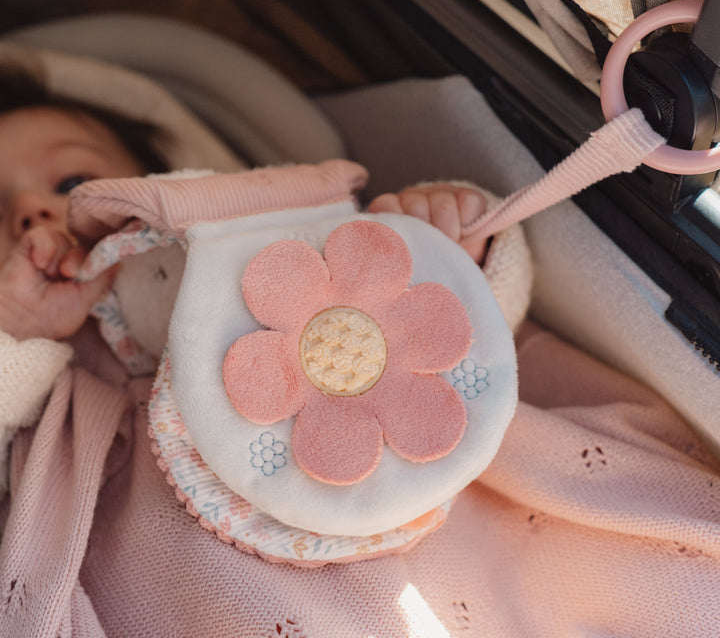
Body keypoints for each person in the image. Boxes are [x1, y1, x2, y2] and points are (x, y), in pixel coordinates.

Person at [1, 58, 719, 638]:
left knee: (585, 563)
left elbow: (459, 338)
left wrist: (454, 244)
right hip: (176, 567)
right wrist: (21, 332)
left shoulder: (286, 246)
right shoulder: (39, 373)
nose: (33, 213)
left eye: (70, 184)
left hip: (420, 489)